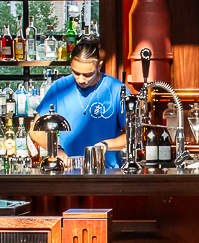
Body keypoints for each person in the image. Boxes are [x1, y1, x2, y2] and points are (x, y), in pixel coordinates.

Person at [29, 37, 127, 165]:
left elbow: (132, 135)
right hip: (68, 171)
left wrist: (107, 145)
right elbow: (35, 131)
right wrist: (57, 150)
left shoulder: (116, 89)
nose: (81, 80)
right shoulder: (60, 88)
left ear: (99, 66)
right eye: (76, 73)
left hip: (106, 172)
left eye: (87, 75)